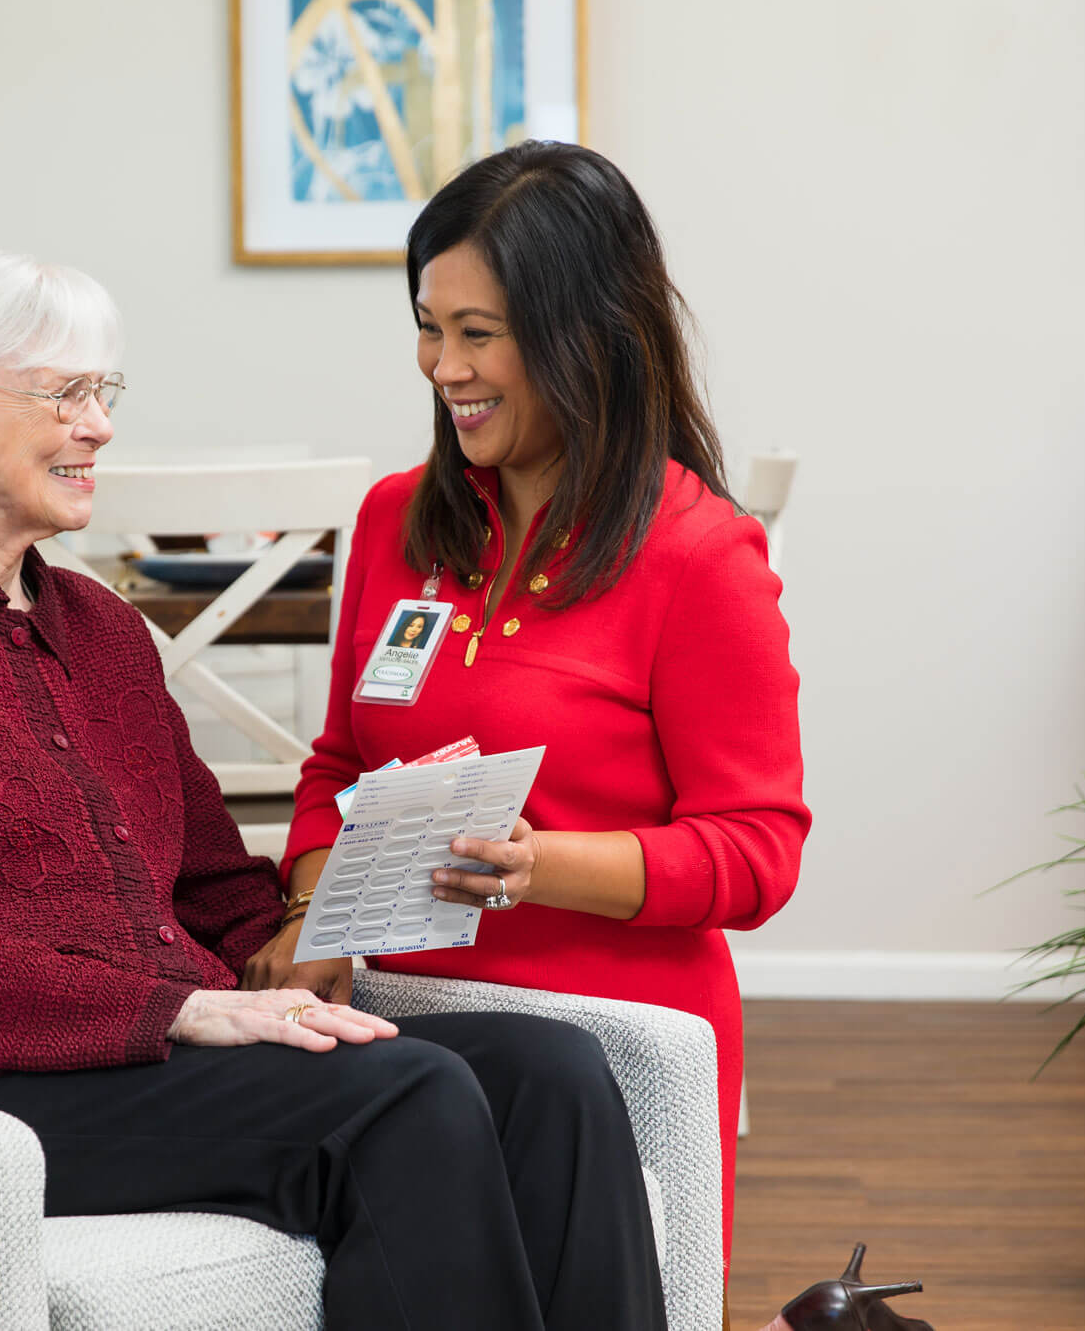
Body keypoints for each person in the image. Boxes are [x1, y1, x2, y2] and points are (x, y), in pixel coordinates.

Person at [0, 243, 666, 1330]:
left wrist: (298, 940)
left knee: (547, 1069)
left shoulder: (96, 624)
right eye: (62, 393)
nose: (97, 425)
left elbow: (211, 883)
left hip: (134, 1050)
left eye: (103, 392)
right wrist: (185, 1008)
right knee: (398, 1098)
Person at [247, 142, 812, 1275]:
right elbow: (335, 766)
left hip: (605, 1041)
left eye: (476, 332)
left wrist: (539, 864)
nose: (438, 364)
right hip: (388, 1026)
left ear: (585, 335)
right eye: (426, 324)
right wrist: (309, 913)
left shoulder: (697, 555)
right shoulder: (395, 519)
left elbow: (755, 854)